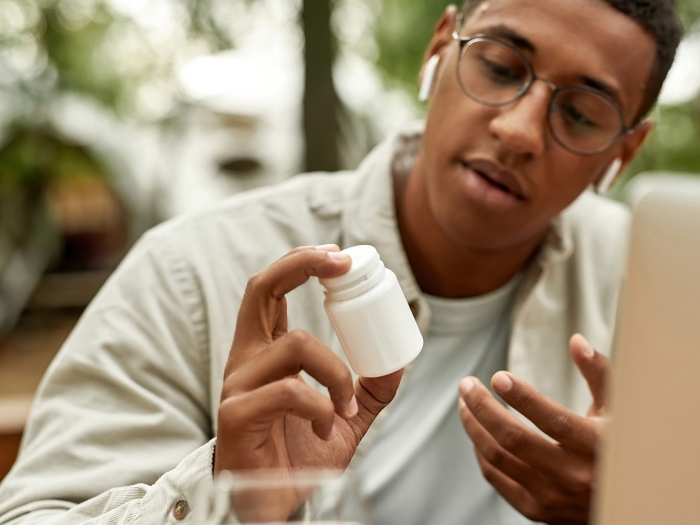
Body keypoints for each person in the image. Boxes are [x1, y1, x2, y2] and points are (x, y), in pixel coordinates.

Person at [0, 0, 682, 524]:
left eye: (583, 115)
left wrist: (648, 503)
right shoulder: (195, 270)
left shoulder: (664, 287)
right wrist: (227, 493)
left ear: (625, 150)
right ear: (440, 48)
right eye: (500, 68)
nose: (518, 130)